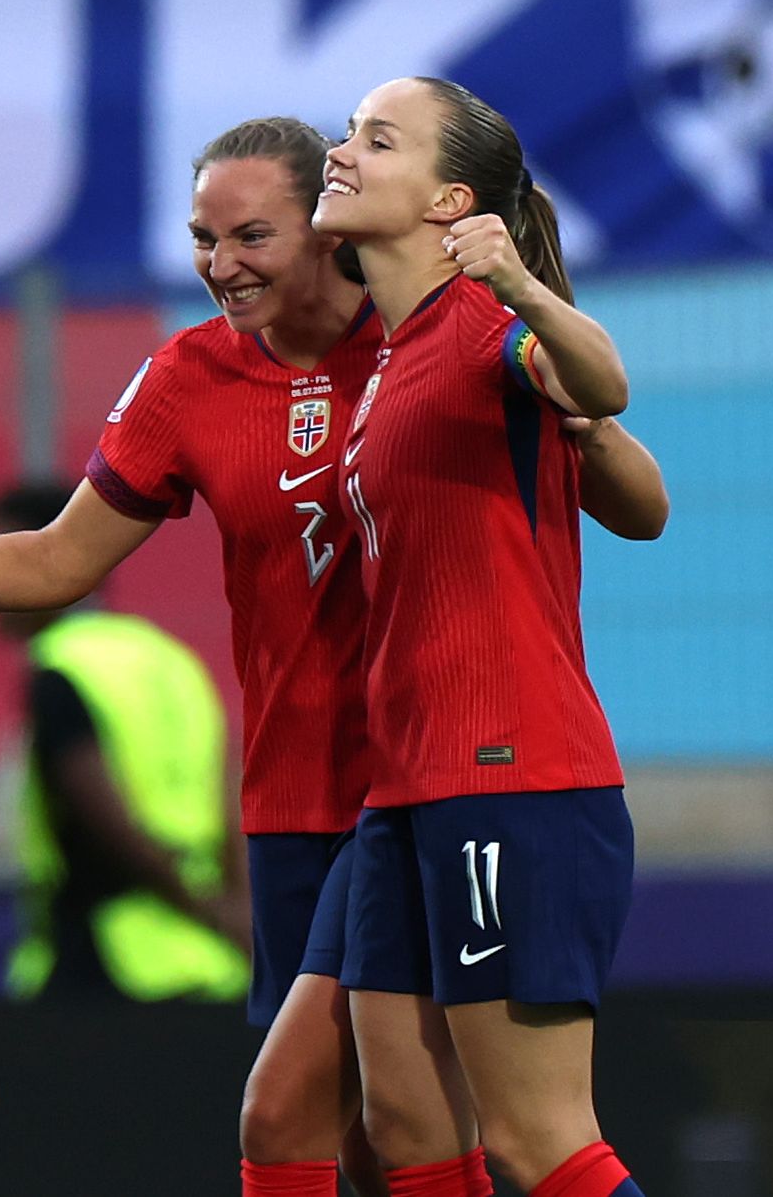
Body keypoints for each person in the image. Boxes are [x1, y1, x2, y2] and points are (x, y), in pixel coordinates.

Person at [0, 117, 433, 1197]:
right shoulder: (189, 376)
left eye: (251, 236)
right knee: (355, 1132)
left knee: (378, 1120)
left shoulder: (426, 345)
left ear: (329, 228)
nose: (220, 266)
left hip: (424, 791)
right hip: (293, 811)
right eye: (202, 238)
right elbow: (55, 559)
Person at [315, 75, 665, 1197]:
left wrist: (515, 282)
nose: (341, 151)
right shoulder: (391, 359)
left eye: (378, 140)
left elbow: (605, 385)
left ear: (448, 200)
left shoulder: (485, 332)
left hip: (507, 775)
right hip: (407, 789)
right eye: (348, 132)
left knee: (536, 1139)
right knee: (407, 1129)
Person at [0, 481, 253, 1005]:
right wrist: (239, 914)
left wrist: (212, 913)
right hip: (209, 960)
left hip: (108, 959)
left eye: (1, 559)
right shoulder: (171, 658)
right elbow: (232, 791)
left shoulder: (61, 669)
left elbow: (107, 823)